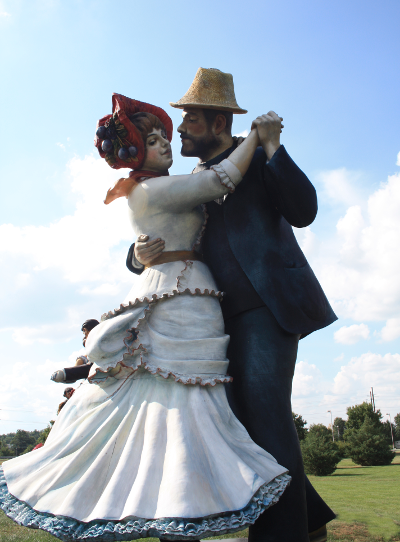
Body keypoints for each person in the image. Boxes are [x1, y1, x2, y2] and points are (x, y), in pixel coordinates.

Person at [0, 93, 291, 542]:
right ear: (135, 153)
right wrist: (254, 136)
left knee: (192, 407)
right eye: (154, 141)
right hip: (177, 296)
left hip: (193, 292)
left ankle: (189, 505)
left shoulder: (160, 186)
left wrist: (138, 254)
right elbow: (219, 183)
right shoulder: (150, 188)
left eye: (164, 138)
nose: (166, 145)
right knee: (174, 405)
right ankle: (171, 511)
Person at [129, 68, 338, 542]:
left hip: (266, 309)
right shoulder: (195, 181)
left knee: (266, 417)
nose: (180, 129)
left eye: (191, 120)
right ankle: (310, 519)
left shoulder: (258, 159)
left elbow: (304, 211)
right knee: (237, 426)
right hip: (211, 319)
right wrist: (136, 253)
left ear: (219, 124)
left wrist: (273, 148)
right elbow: (159, 230)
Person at [50, 318, 99, 383]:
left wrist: (65, 374)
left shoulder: (99, 345)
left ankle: (65, 375)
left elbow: (90, 367)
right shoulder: (84, 358)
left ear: (85, 330)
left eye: (85, 333)